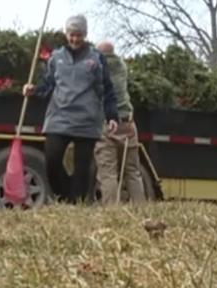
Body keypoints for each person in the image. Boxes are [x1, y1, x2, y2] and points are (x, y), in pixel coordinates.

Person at [23, 15, 119, 203]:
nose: (75, 39)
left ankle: (78, 202)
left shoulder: (96, 58)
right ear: (66, 34)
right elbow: (48, 84)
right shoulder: (56, 57)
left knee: (82, 167)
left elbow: (107, 89)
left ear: (85, 34)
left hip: (87, 120)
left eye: (79, 35)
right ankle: (65, 195)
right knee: (52, 160)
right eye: (71, 35)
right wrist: (33, 90)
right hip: (59, 117)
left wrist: (112, 115)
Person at [93, 40, 146, 205]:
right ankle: (141, 208)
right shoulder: (122, 67)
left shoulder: (98, 70)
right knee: (132, 171)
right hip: (128, 123)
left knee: (108, 173)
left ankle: (111, 212)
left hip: (108, 124)